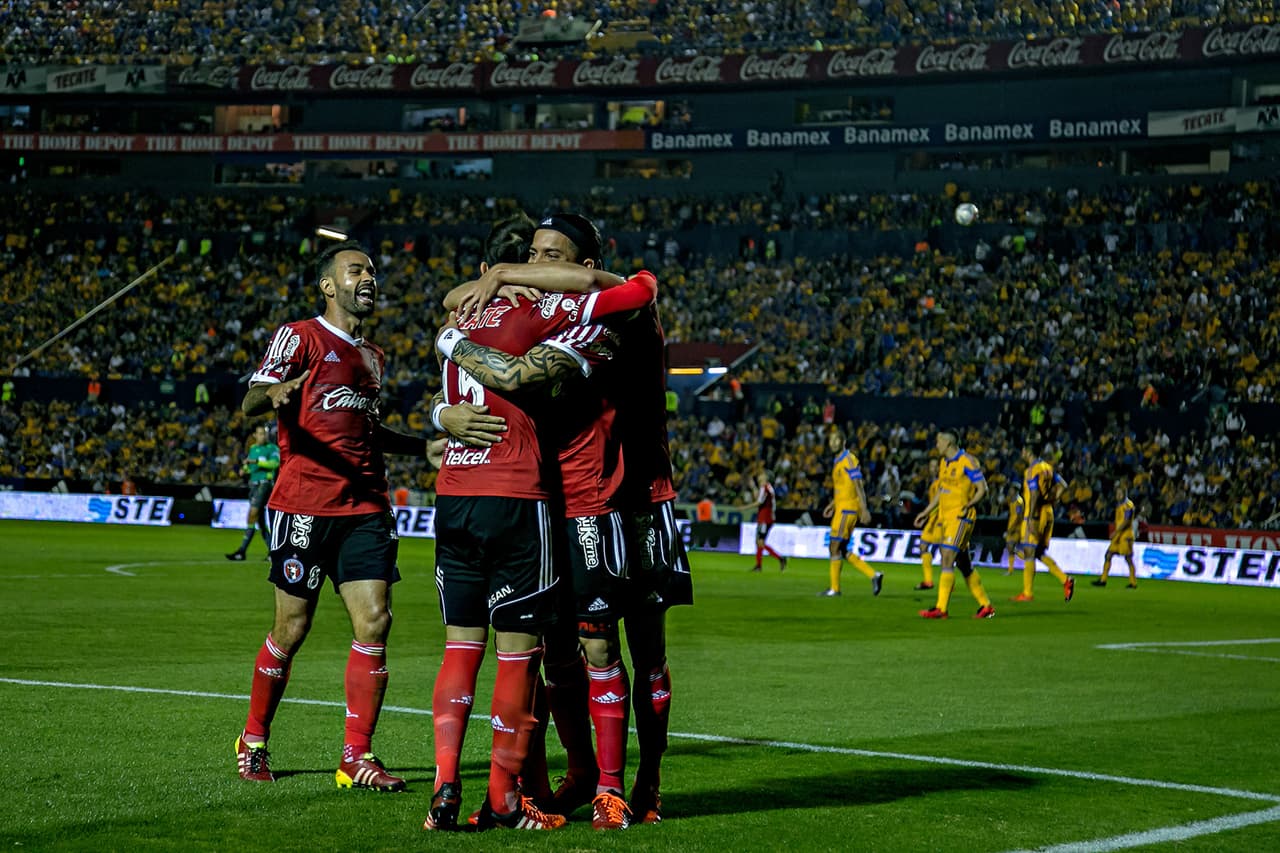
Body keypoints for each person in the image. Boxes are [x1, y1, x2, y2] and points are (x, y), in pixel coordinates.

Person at [444, 212, 689, 826]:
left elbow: (518, 370)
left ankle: (642, 782)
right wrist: (440, 415)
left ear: (584, 267)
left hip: (633, 500)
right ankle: (580, 777)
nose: (532, 267)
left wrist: (481, 301)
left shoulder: (613, 312)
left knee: (642, 650)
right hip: (563, 500)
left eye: (547, 257)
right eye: (528, 254)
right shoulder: (543, 314)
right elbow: (464, 328)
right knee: (561, 646)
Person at [232, 240, 502, 791]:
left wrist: (421, 446)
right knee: (292, 627)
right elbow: (250, 401)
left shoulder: (374, 356)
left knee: (375, 621)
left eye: (372, 270)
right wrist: (276, 390)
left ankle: (356, 755)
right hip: (304, 504)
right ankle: (253, 738)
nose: (369, 278)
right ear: (329, 285)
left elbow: (367, 428)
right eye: (356, 270)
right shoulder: (300, 336)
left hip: (367, 507)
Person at [915, 430, 995, 619]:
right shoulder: (944, 463)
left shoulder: (967, 461)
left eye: (939, 441)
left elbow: (983, 488)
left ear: (948, 443)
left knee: (947, 557)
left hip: (960, 517)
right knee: (963, 564)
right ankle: (986, 606)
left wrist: (969, 504)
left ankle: (941, 608)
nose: (936, 445)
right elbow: (941, 491)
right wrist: (926, 512)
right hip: (946, 517)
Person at [820, 437, 883, 597]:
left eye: (836, 440)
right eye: (831, 441)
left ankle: (835, 589)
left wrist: (864, 509)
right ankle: (874, 575)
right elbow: (843, 488)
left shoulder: (849, 459)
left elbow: (858, 484)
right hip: (841, 508)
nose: (833, 443)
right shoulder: (838, 461)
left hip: (847, 510)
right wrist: (832, 504)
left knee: (834, 546)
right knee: (841, 549)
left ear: (843, 441)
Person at [1013, 447, 1075, 603]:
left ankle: (1027, 593)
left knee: (1029, 551)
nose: (1022, 453)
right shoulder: (1048, 468)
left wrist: (1031, 517)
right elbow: (1063, 485)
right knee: (1038, 552)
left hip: (1036, 513)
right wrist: (1054, 499)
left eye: (1024, 451)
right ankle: (1065, 580)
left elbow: (1034, 494)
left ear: (1028, 452)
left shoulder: (1032, 470)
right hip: (1048, 512)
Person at [225, 423, 279, 561]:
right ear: (255, 435)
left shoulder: (272, 448)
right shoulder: (253, 448)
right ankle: (273, 553)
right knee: (259, 521)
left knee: (252, 514)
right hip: (253, 485)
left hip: (264, 484)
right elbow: (250, 467)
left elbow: (274, 464)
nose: (263, 436)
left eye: (264, 433)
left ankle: (242, 551)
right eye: (260, 434)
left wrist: (256, 461)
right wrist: (244, 470)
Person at [1094, 483, 1137, 588]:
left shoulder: (1128, 505)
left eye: (1120, 494)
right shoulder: (1119, 505)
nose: (1117, 496)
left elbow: (1126, 521)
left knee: (1128, 558)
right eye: (1117, 494)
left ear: (1124, 494)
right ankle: (1103, 580)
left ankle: (1133, 583)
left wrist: (1116, 531)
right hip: (1118, 535)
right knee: (1108, 555)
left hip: (1125, 535)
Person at [751, 470, 786, 572]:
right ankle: (758, 565)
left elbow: (758, 501)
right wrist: (753, 487)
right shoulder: (767, 488)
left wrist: (744, 507)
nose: (759, 476)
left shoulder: (765, 487)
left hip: (765, 519)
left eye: (762, 474)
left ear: (765, 477)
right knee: (759, 542)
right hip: (766, 518)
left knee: (760, 542)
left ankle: (780, 558)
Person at [915, 458, 940, 591]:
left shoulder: (941, 482)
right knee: (923, 546)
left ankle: (948, 582)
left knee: (947, 553)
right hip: (932, 519)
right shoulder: (933, 482)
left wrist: (926, 515)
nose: (933, 469)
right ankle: (928, 581)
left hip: (940, 520)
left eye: (935, 466)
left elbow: (939, 502)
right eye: (931, 466)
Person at [1003, 484, 1025, 576]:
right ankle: (1010, 570)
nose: (1010, 491)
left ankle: (1028, 560)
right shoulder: (1012, 500)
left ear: (1015, 491)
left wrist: (1013, 528)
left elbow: (1019, 517)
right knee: (1010, 548)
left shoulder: (1019, 502)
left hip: (1016, 527)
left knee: (1011, 546)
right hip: (1010, 526)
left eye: (1011, 489)